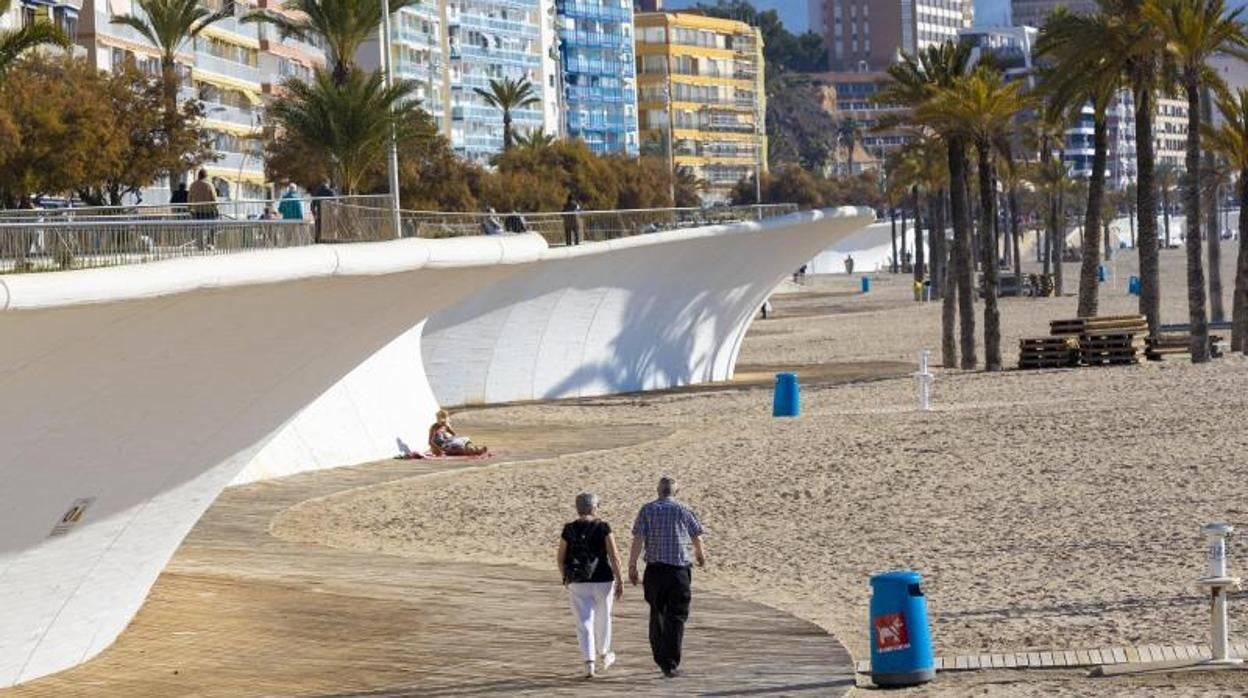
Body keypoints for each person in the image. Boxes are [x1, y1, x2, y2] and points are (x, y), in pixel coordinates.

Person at [628, 476, 706, 679]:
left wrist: (632, 564)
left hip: (654, 570)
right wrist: (700, 554)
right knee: (677, 615)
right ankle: (669, 661)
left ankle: (661, 656)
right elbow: (696, 535)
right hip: (678, 570)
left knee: (657, 612)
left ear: (658, 491)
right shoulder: (683, 509)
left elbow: (638, 538)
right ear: (675, 492)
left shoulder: (648, 509)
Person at [557, 492, 624, 679]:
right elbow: (614, 556)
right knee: (604, 617)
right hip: (602, 579)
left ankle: (589, 663)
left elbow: (560, 558)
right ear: (594, 508)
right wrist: (620, 579)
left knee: (583, 622)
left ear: (578, 508)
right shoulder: (603, 527)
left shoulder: (569, 529)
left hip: (578, 581)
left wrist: (565, 577)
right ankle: (604, 652)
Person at [187, 169, 218, 250]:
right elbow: (214, 198)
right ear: (206, 175)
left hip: (197, 211)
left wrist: (189, 208)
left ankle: (200, 245)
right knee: (212, 227)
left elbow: (189, 198)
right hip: (208, 210)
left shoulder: (193, 185)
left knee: (199, 228)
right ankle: (210, 243)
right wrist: (215, 208)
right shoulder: (209, 185)